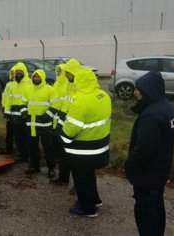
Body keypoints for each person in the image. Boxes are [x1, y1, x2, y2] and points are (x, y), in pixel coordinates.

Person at [124, 71, 174, 236]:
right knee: (156, 206)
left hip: (148, 174)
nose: (135, 92)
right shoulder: (169, 108)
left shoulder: (151, 115)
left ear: (149, 90)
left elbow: (143, 150)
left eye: (139, 89)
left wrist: (129, 166)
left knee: (146, 212)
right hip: (160, 169)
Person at [60, 68, 111, 218]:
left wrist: (61, 134)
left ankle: (88, 208)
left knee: (81, 179)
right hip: (100, 147)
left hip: (82, 151)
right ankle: (95, 200)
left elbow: (70, 130)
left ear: (79, 82)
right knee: (89, 175)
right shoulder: (104, 96)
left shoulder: (81, 100)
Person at [23, 69, 57, 176]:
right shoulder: (28, 89)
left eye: (38, 77)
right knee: (32, 146)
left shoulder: (50, 89)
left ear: (42, 78)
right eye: (34, 77)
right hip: (31, 124)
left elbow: (55, 105)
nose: (36, 79)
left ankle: (51, 169)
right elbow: (22, 103)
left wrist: (48, 115)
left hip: (45, 124)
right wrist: (24, 113)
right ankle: (34, 166)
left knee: (48, 147)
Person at [49, 63, 77, 186]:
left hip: (72, 122)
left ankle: (76, 183)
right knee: (61, 152)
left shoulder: (74, 86)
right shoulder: (64, 85)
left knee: (72, 154)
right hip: (60, 120)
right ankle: (63, 177)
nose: (63, 74)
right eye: (60, 72)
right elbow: (60, 102)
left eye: (66, 72)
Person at [3, 62, 30, 161]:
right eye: (17, 72)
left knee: (27, 137)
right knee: (18, 137)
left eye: (20, 71)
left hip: (26, 115)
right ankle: (21, 154)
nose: (18, 73)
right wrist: (7, 112)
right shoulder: (12, 85)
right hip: (15, 115)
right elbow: (9, 99)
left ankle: (28, 155)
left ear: (24, 72)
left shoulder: (29, 83)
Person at [0, 65, 16, 155]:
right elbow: (4, 98)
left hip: (19, 113)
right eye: (11, 73)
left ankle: (20, 150)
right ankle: (8, 148)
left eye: (14, 73)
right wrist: (5, 110)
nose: (13, 75)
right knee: (9, 132)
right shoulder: (8, 85)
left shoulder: (26, 83)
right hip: (9, 112)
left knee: (19, 133)